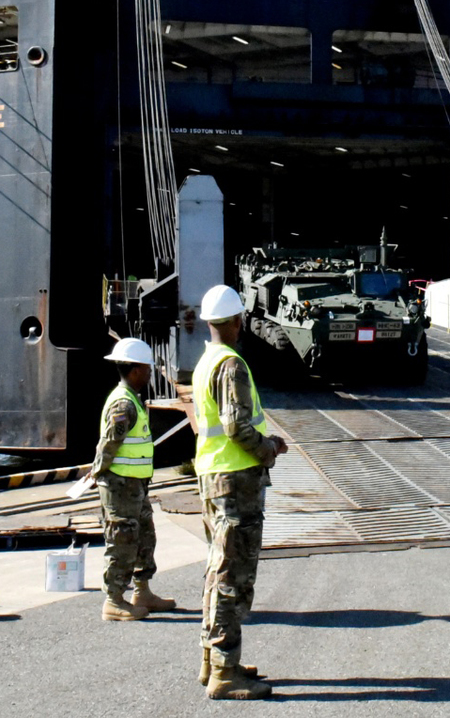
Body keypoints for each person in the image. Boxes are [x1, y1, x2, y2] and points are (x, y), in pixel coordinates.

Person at [192, 284, 288, 700]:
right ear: (236, 321)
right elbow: (235, 425)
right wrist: (267, 449)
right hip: (236, 481)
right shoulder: (232, 365)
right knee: (233, 575)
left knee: (217, 571)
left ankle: (213, 659)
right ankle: (225, 672)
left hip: (213, 478)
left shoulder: (204, 362)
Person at [91, 336, 176, 621]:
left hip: (135, 486)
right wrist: (98, 472)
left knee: (144, 538)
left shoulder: (132, 400)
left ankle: (142, 591)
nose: (151, 373)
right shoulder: (123, 404)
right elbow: (109, 444)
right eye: (148, 368)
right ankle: (114, 600)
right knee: (122, 541)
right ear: (136, 369)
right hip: (120, 487)